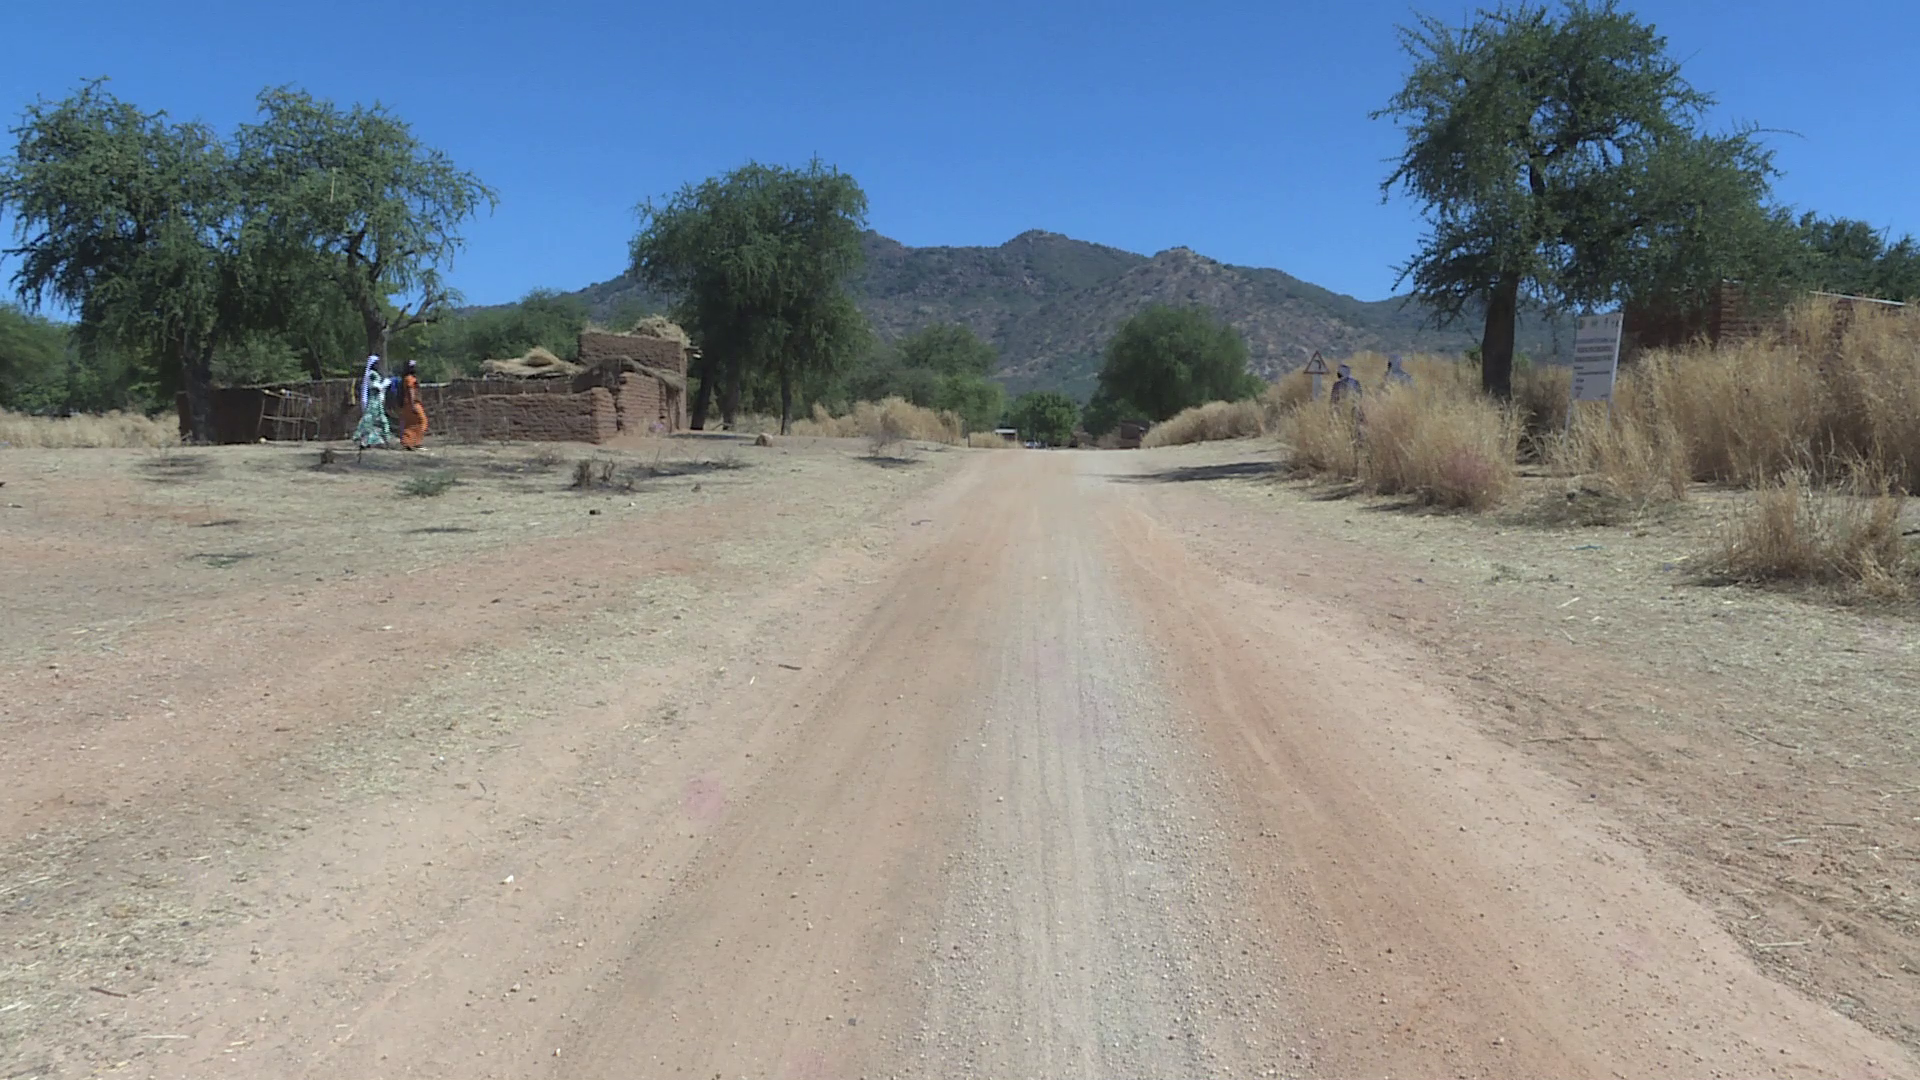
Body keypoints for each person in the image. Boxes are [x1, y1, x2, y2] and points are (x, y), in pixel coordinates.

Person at [353, 355, 392, 449]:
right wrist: (384, 384)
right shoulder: (371, 374)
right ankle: (364, 441)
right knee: (369, 421)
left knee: (380, 421)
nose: (378, 365)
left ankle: (383, 441)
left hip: (376, 401)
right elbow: (375, 386)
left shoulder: (374, 374)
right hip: (373, 402)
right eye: (376, 363)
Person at [397, 359, 429, 450]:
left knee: (411, 424)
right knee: (422, 421)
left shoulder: (406, 378)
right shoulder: (410, 379)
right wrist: (413, 405)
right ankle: (413, 442)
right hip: (412, 403)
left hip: (408, 404)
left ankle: (410, 442)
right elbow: (411, 391)